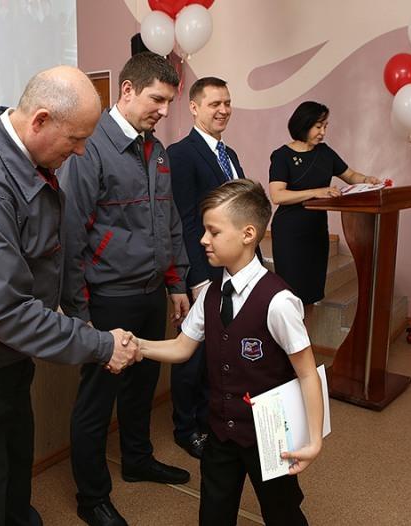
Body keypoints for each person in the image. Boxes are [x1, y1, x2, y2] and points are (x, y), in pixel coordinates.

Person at [0, 66, 140, 526]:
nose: (81, 152)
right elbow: (8, 311)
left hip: (4, 352)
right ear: (40, 120)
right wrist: (100, 344)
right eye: (76, 139)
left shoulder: (26, 160)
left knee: (14, 466)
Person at [136, 179, 324, 526]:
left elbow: (307, 373)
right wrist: (137, 346)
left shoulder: (278, 302)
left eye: (213, 231)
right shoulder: (210, 294)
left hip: (269, 435)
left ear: (248, 234)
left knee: (282, 513)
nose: (203, 240)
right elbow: (182, 347)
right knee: (214, 513)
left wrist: (313, 441)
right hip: (221, 431)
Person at [58, 52, 191, 526]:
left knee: (141, 388)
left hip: (151, 291)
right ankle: (92, 496)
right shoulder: (90, 148)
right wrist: (79, 313)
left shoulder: (157, 149)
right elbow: (70, 234)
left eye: (169, 101)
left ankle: (137, 459)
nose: (164, 110)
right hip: (108, 296)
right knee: (97, 401)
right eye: (157, 99)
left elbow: (169, 219)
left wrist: (176, 281)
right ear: (128, 90)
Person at [167, 76, 248, 459]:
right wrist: (195, 277)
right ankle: (186, 428)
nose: (223, 110)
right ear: (194, 107)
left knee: (218, 351)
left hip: (232, 268)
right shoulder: (181, 154)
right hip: (203, 270)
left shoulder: (229, 155)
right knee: (192, 355)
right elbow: (184, 220)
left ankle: (209, 419)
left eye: (227, 103)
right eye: (215, 103)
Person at [268, 101, 381, 319]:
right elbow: (278, 195)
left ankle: (305, 339)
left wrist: (368, 179)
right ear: (304, 124)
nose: (323, 132)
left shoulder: (325, 152)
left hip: (317, 232)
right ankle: (287, 339)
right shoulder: (282, 156)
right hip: (290, 234)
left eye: (325, 126)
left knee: (311, 294)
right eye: (318, 126)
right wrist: (317, 192)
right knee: (290, 296)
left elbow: (350, 175)